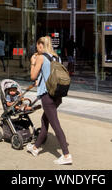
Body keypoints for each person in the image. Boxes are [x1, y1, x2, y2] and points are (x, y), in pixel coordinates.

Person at [26, 36, 72, 165]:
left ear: (41, 45)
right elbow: (49, 74)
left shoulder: (41, 58)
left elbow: (32, 76)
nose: (36, 48)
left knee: (55, 124)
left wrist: (32, 62)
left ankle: (66, 154)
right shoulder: (57, 57)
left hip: (47, 96)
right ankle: (35, 148)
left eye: (37, 46)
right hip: (57, 95)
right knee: (45, 120)